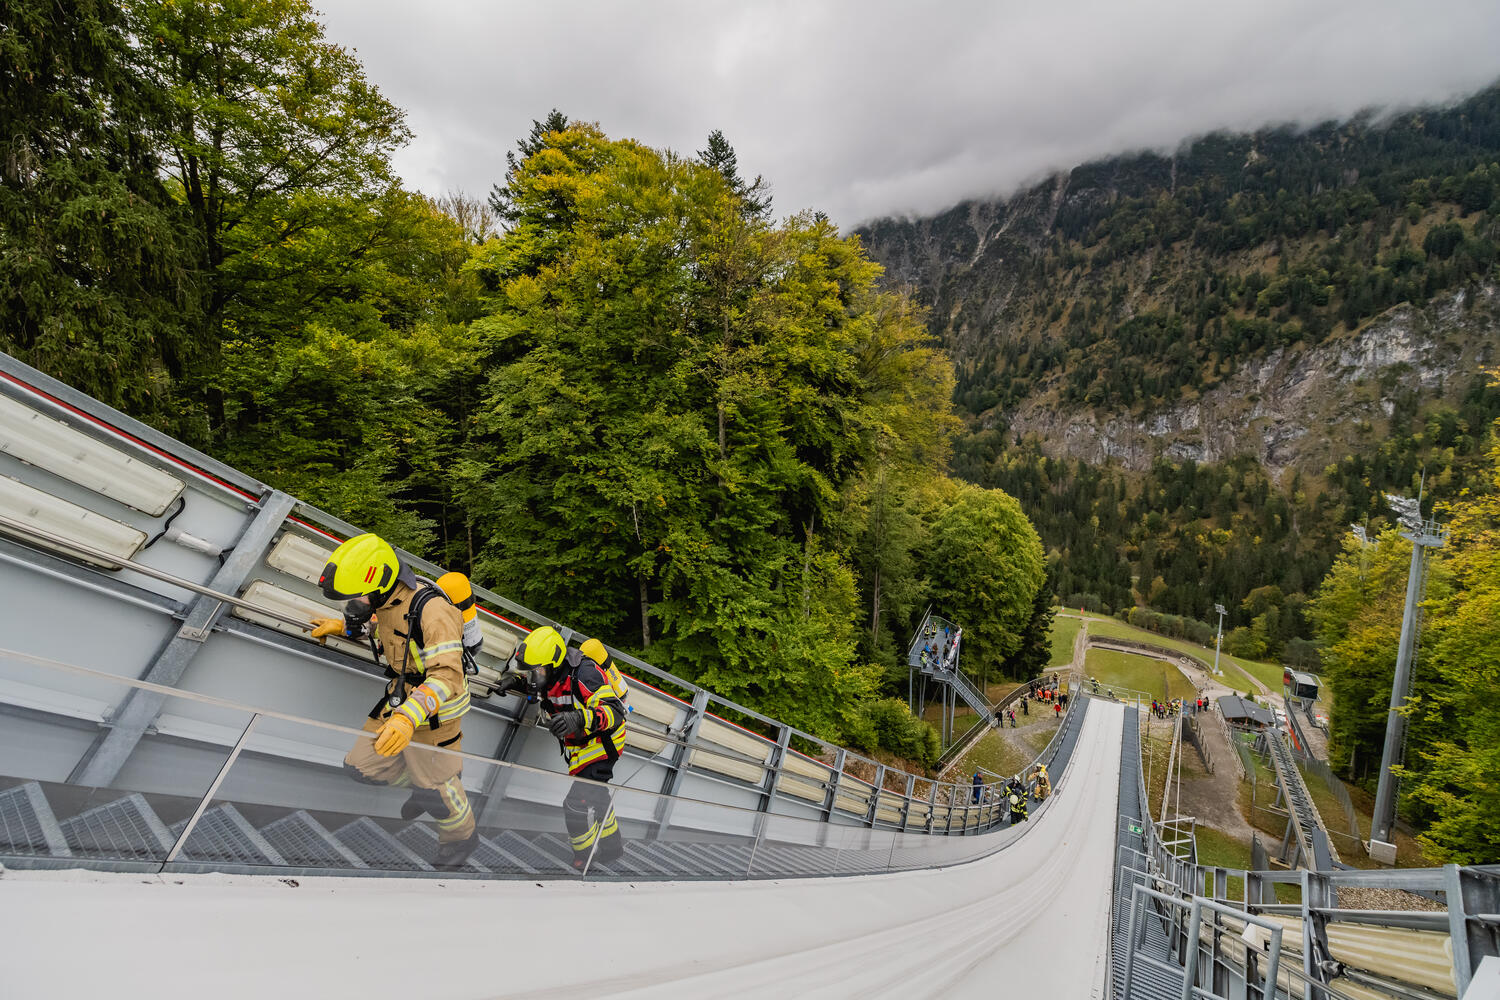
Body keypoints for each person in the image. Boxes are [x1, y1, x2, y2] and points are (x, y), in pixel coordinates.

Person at [312, 533, 477, 868]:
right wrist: (343, 627)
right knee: (361, 767)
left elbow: (448, 676)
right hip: (402, 699)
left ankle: (462, 838)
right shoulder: (385, 601)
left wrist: (407, 718)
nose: (354, 604)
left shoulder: (433, 610)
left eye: (356, 597)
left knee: (438, 791)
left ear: (380, 583)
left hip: (436, 711)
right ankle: (423, 787)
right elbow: (383, 630)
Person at [507, 626, 629, 870]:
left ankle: (584, 857)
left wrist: (578, 718)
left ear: (553, 664)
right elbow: (539, 684)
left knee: (575, 803)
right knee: (598, 795)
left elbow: (615, 711)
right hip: (583, 746)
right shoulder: (549, 675)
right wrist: (515, 682)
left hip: (603, 745)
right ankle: (613, 846)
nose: (533, 677)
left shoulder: (585, 674)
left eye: (535, 672)